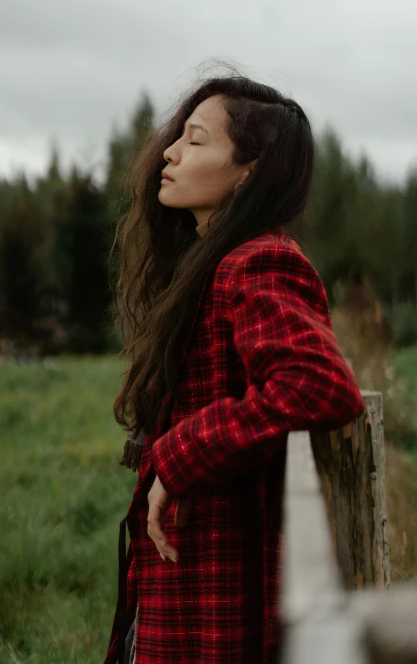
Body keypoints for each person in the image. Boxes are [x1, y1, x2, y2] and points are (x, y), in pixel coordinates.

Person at [103, 71, 365, 664]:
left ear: (251, 170)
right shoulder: (212, 265)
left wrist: (178, 457)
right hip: (187, 571)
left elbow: (318, 386)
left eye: (195, 141)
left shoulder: (259, 260)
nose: (168, 152)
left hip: (217, 579)